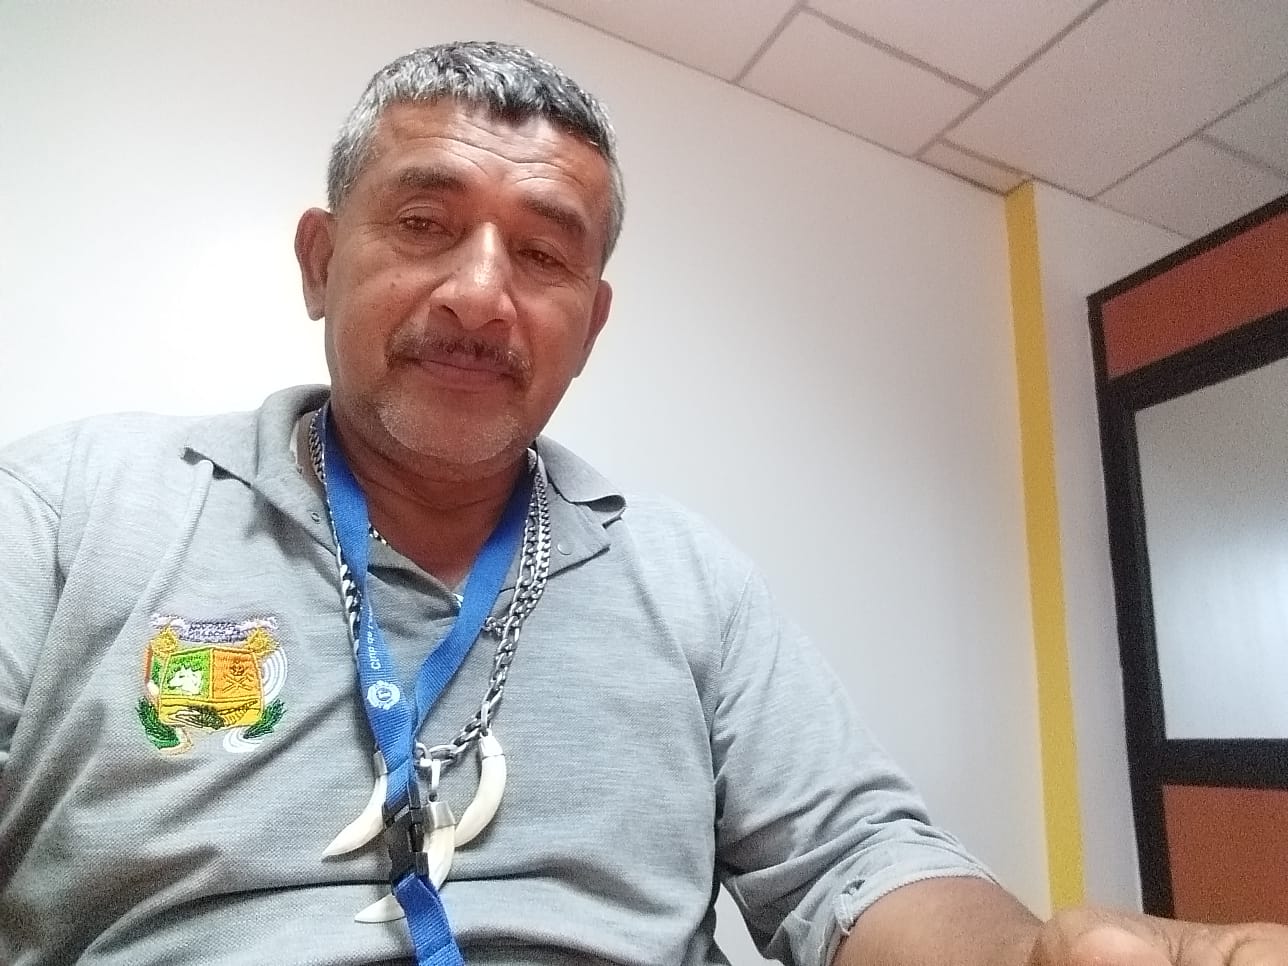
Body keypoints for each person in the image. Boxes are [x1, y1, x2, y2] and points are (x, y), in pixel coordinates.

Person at [0, 40, 1283, 966]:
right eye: (427, 223)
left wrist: (1028, 956)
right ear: (322, 264)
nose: (480, 294)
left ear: (591, 322)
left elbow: (849, 859)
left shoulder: (685, 575)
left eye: (542, 252)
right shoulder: (70, 508)